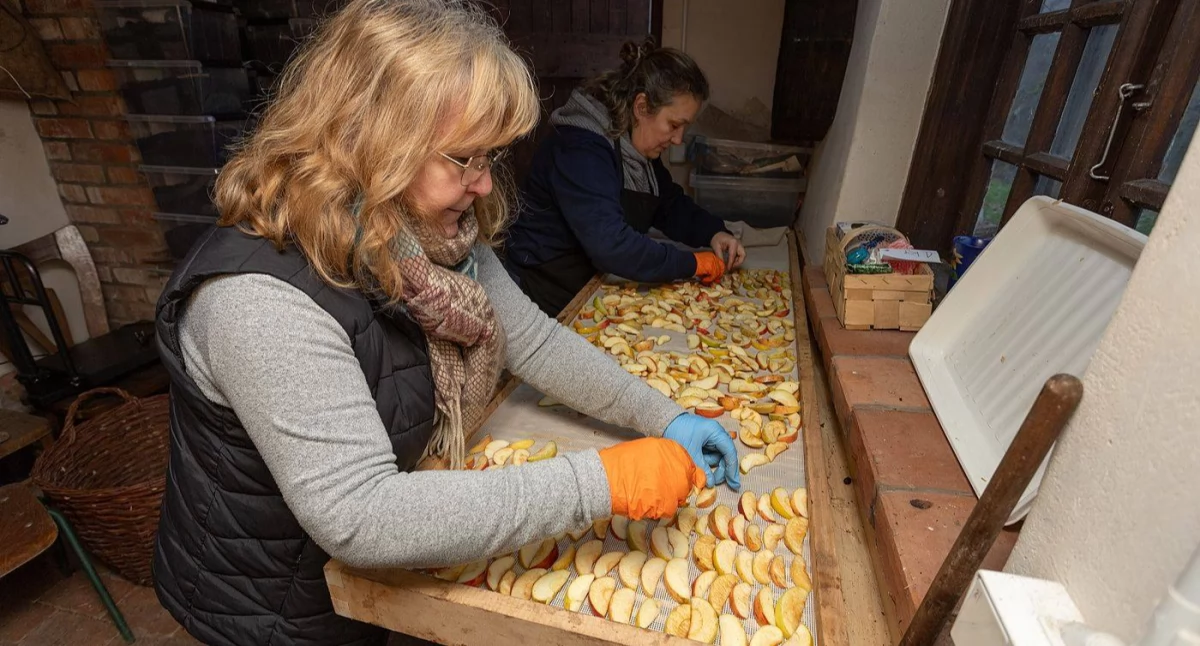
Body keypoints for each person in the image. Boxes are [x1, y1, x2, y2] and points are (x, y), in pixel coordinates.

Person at [149, 3, 739, 645]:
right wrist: (600, 481)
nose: (483, 185)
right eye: (463, 159)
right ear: (371, 141)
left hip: (376, 585)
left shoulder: (428, 234)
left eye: (488, 157)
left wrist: (663, 415)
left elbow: (534, 341)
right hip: (276, 605)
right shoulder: (258, 299)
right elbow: (362, 515)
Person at [504, 39, 747, 316]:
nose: (678, 139)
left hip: (589, 281)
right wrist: (692, 264)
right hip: (543, 289)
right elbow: (612, 245)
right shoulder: (581, 150)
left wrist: (714, 232)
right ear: (641, 107)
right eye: (674, 125)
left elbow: (668, 205)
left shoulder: (633, 145)